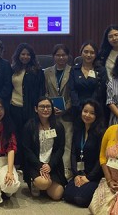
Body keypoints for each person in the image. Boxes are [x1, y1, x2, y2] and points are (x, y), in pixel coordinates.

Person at [21, 97, 66, 201]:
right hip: (35, 164)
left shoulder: (58, 126)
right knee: (44, 183)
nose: (45, 109)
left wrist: (50, 165)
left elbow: (60, 149)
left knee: (58, 194)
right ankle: (36, 183)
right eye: (42, 107)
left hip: (52, 165)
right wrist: (40, 166)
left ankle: (43, 185)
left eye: (48, 107)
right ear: (36, 109)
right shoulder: (29, 126)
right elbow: (27, 149)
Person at [63, 99, 105, 207]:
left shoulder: (101, 132)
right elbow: (73, 154)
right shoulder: (78, 129)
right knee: (67, 195)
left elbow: (101, 158)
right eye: (85, 111)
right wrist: (76, 174)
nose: (87, 115)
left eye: (92, 113)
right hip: (79, 173)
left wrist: (89, 178)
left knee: (80, 199)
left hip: (94, 176)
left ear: (97, 116)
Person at [10, 43, 45, 165]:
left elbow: (41, 91)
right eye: (23, 54)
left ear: (32, 56)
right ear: (18, 55)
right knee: (16, 136)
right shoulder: (13, 69)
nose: (25, 56)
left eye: (28, 54)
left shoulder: (37, 71)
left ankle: (30, 164)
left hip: (30, 109)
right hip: (14, 107)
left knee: (29, 137)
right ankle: (17, 163)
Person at [44, 44, 74, 180]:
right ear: (53, 56)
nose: (61, 57)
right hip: (50, 113)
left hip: (67, 114)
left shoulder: (73, 71)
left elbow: (74, 94)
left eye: (63, 55)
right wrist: (50, 106)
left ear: (68, 56)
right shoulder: (47, 72)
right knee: (50, 142)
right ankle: (48, 169)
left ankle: (66, 169)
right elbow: (45, 92)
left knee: (67, 143)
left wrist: (65, 108)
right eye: (58, 55)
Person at [69, 41, 108, 123]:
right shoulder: (74, 69)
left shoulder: (101, 70)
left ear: (96, 54)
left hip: (96, 108)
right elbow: (72, 90)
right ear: (81, 53)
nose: (88, 55)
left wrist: (90, 107)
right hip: (78, 108)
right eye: (86, 52)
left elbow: (100, 90)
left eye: (92, 53)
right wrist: (79, 107)